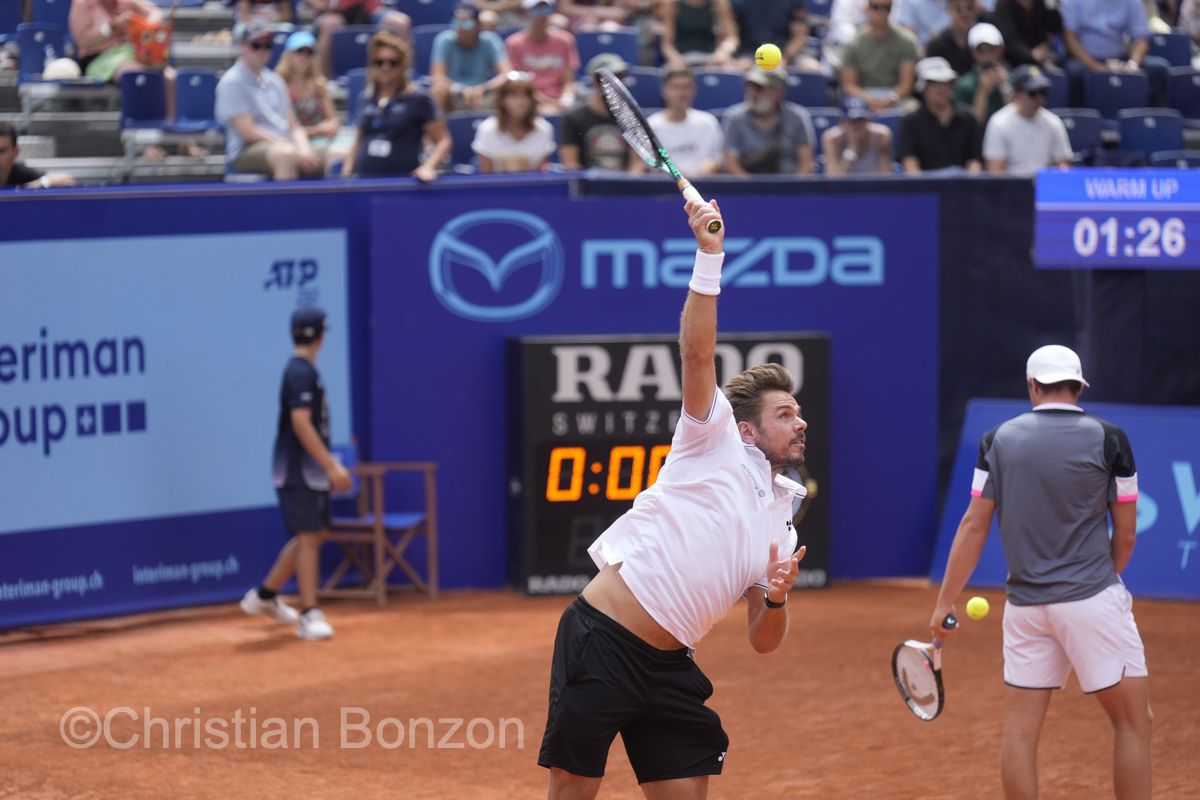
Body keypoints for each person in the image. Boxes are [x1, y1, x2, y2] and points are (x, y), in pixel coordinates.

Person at [538, 196, 809, 800]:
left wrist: (777, 597)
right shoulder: (711, 440)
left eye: (800, 413)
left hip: (669, 667)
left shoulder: (783, 523)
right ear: (745, 429)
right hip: (604, 638)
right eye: (785, 413)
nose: (800, 423)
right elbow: (697, 352)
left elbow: (762, 641)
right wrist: (709, 256)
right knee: (574, 789)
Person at [929, 344, 1151, 800]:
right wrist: (1098, 584)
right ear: (1078, 385)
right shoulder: (1111, 439)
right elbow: (1125, 536)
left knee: (1021, 734)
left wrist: (944, 601)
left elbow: (974, 525)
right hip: (1092, 599)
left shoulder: (996, 441)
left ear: (1033, 386)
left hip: (1025, 610)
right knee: (1133, 722)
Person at [242, 307, 354, 642]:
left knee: (315, 534)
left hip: (306, 470)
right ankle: (309, 614)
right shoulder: (300, 373)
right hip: (298, 470)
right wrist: (332, 466)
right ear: (321, 336)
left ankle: (264, 597)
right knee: (309, 537)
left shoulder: (303, 370)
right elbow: (301, 424)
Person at [216, 20, 327, 180]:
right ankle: (287, 205)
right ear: (242, 46)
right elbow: (248, 132)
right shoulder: (232, 81)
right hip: (246, 149)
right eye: (256, 45)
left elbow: (294, 125)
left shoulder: (275, 79)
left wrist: (304, 149)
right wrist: (289, 146)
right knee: (285, 155)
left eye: (267, 45)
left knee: (340, 153)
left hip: (283, 143)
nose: (262, 50)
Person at [342, 32, 451, 180]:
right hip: (366, 182)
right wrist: (347, 171)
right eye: (379, 62)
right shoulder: (365, 98)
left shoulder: (418, 98)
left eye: (393, 62)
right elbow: (359, 140)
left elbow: (443, 141)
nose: (385, 67)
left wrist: (428, 166)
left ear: (403, 65)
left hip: (402, 183)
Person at [69, 0, 179, 119]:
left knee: (170, 76)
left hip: (131, 53)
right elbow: (84, 41)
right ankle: (140, 122)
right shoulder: (83, 4)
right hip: (100, 58)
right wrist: (111, 28)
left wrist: (141, 26)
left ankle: (171, 125)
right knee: (135, 74)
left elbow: (156, 13)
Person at [1060, 0, 1169, 107]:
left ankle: (1152, 121)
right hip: (1084, 60)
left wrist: (1133, 64)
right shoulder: (1072, 2)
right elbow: (1069, 39)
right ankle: (1079, 120)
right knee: (1074, 72)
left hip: (1119, 59)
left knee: (1159, 68)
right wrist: (1095, 66)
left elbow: (1141, 39)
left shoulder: (1132, 2)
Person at [631, 65, 725, 177]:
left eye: (686, 87)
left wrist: (713, 166)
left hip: (704, 189)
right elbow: (636, 170)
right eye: (676, 87)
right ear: (664, 90)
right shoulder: (650, 126)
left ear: (694, 89)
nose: (682, 93)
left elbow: (720, 162)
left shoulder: (708, 122)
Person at [723, 66, 816, 175]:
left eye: (759, 87)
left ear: (778, 92)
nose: (752, 92)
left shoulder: (798, 116)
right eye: (749, 86)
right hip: (746, 189)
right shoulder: (734, 117)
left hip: (790, 188)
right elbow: (731, 165)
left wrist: (794, 189)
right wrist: (754, 189)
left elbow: (806, 163)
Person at [983, 64, 1072, 175]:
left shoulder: (1054, 122)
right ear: (1018, 94)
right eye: (1032, 93)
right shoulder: (999, 122)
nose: (1040, 98)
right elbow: (995, 171)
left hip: (1044, 187)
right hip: (1012, 188)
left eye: (1043, 92)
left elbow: (1063, 165)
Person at [899, 56, 983, 172]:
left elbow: (974, 161)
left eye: (945, 82)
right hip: (926, 188)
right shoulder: (910, 121)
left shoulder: (969, 118)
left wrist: (969, 186)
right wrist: (924, 188)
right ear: (923, 87)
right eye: (933, 83)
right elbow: (910, 165)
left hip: (962, 186)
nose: (940, 88)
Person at [559, 54, 637, 171]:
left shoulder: (632, 117)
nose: (619, 83)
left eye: (621, 77)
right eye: (613, 78)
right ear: (595, 82)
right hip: (589, 187)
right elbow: (571, 165)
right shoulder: (573, 117)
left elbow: (636, 165)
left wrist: (628, 186)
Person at [430, 3, 511, 114]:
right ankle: (439, 129)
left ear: (478, 25)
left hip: (484, 96)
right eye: (456, 22)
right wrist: (461, 90)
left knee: (511, 89)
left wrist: (483, 89)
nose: (461, 28)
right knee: (437, 90)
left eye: (467, 23)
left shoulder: (490, 40)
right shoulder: (443, 40)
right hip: (454, 95)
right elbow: (437, 77)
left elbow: (506, 74)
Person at [840, 0, 920, 112]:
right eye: (875, 7)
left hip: (896, 97)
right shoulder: (853, 44)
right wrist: (869, 100)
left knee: (912, 109)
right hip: (863, 98)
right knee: (852, 110)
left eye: (886, 7)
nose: (881, 12)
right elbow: (850, 86)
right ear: (867, 9)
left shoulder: (907, 42)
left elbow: (907, 85)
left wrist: (888, 101)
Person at [505, 0, 582, 114]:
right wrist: (550, 103)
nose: (541, 15)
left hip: (560, 100)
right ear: (525, 13)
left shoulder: (565, 40)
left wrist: (566, 100)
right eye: (535, 10)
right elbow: (520, 86)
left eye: (546, 9)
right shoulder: (514, 43)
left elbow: (568, 81)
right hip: (529, 101)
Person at [471, 71, 557, 172]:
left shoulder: (544, 129)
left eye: (526, 95)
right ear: (502, 100)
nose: (520, 101)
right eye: (514, 95)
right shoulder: (487, 129)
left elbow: (542, 175)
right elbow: (486, 177)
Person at [307, 0, 411, 80]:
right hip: (334, 12)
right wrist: (329, 5)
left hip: (369, 10)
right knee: (330, 24)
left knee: (400, 23)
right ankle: (323, 81)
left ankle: (405, 79)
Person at [275, 31, 341, 146]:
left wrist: (331, 127)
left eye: (309, 52)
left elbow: (332, 120)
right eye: (299, 51)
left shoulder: (319, 85)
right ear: (288, 54)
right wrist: (316, 131)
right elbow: (279, 130)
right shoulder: (277, 85)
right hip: (290, 144)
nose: (304, 57)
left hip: (322, 141)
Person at [729, 0, 820, 71]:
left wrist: (784, 60)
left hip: (788, 54)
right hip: (750, 54)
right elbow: (732, 36)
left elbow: (799, 38)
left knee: (811, 67)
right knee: (736, 69)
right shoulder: (738, 2)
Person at [955, 22, 1014, 125]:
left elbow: (1017, 121)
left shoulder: (1010, 79)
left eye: (992, 50)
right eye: (981, 51)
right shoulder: (963, 85)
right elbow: (972, 126)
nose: (987, 56)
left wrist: (1006, 88)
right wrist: (982, 92)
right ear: (973, 53)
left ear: (1000, 50)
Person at [821, 95, 894, 174]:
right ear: (841, 122)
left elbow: (885, 177)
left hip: (874, 186)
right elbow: (832, 182)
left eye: (861, 120)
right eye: (852, 121)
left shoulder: (881, 135)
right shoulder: (831, 139)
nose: (857, 126)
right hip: (845, 186)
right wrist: (851, 150)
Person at [658, 0, 740, 68]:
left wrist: (724, 51)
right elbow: (667, 45)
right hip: (681, 57)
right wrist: (676, 60)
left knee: (729, 71)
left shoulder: (718, 3)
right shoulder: (672, 4)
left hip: (710, 59)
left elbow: (732, 37)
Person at [992, 0, 1061, 68]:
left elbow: (1054, 28)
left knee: (1059, 73)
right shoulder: (1004, 4)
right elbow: (1010, 41)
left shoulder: (1042, 2)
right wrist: (1031, 54)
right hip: (1013, 61)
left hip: (1043, 55)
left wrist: (1052, 6)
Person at [926, 0, 982, 76]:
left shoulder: (985, 40)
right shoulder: (936, 43)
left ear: (976, 10)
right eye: (958, 8)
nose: (964, 13)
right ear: (948, 11)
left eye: (969, 8)